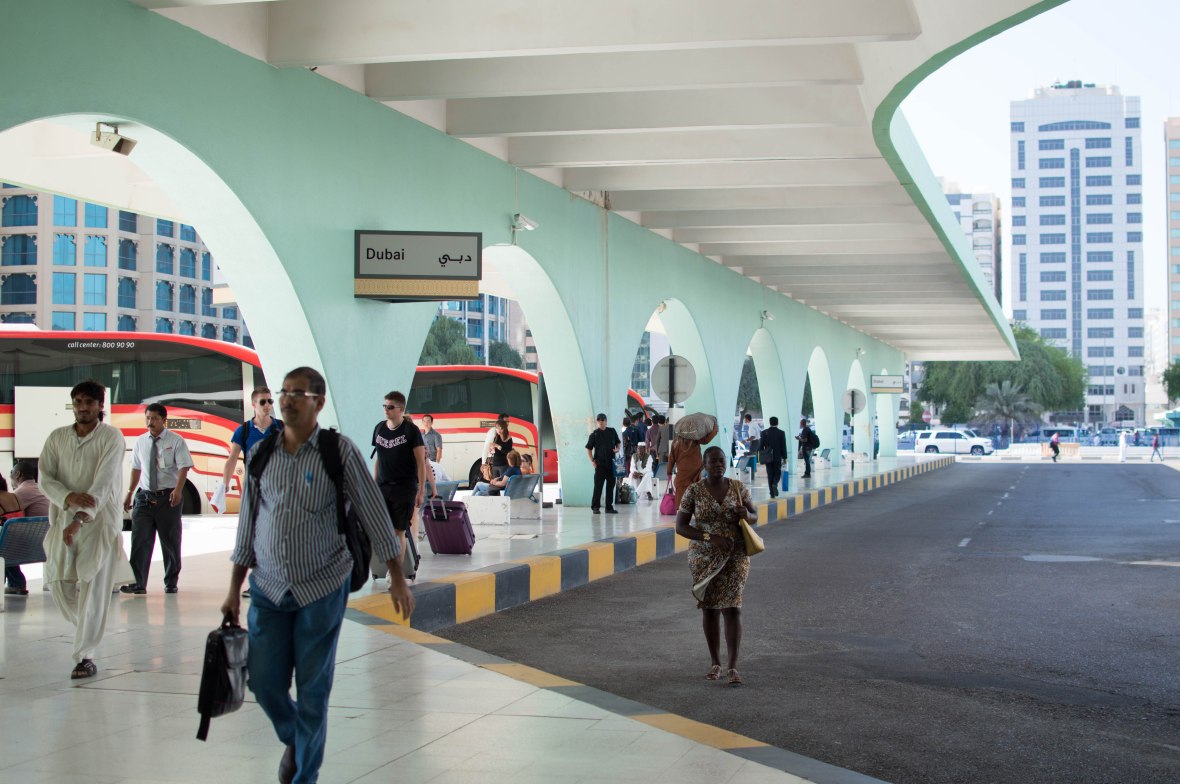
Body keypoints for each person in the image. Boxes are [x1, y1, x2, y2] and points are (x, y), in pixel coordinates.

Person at [222, 367, 413, 784]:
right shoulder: (261, 454)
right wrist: (234, 589)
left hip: (323, 586)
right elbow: (247, 526)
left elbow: (373, 512)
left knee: (312, 690)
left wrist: (396, 573)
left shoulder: (338, 451)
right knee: (265, 684)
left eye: (297, 393)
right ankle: (297, 738)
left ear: (318, 402)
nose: (286, 400)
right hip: (268, 587)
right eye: (283, 392)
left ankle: (304, 774)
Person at [39, 379, 132, 680]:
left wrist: (81, 516)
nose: (83, 408)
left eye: (89, 402)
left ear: (100, 405)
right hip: (63, 519)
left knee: (92, 587)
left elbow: (103, 485)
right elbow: (45, 478)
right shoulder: (56, 438)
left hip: (99, 523)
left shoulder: (112, 437)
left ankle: (85, 656)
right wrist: (67, 498)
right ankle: (89, 626)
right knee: (57, 582)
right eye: (78, 402)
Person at [674, 445, 758, 687]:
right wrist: (711, 538)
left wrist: (746, 515)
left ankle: (733, 666)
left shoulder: (738, 488)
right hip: (704, 557)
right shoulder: (694, 491)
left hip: (736, 555)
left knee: (733, 607)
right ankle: (715, 663)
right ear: (704, 464)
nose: (718, 465)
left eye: (722, 461)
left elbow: (756, 516)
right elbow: (681, 527)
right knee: (709, 608)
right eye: (713, 462)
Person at [120, 403, 194, 595]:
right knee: (139, 541)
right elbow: (136, 468)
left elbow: (183, 467)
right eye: (147, 418)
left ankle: (171, 582)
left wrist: (178, 490)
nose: (150, 422)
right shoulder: (140, 442)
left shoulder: (176, 441)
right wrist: (129, 492)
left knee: (170, 541)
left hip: (167, 498)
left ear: (163, 420)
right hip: (144, 498)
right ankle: (138, 583)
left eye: (154, 418)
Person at [372, 391, 427, 562]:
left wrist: (421, 491)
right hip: (383, 486)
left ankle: (394, 573)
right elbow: (379, 459)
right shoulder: (379, 428)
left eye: (390, 407)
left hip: (404, 488)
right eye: (384, 406)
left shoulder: (411, 431)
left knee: (399, 531)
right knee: (383, 529)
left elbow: (420, 463)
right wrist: (374, 484)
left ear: (400, 409)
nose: (386, 410)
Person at [218, 386, 282, 510]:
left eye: (270, 401)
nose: (267, 405)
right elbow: (232, 459)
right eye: (262, 402)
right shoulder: (244, 431)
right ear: (254, 404)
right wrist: (225, 483)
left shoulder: (281, 427)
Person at [1, 460, 50, 595]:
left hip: (29, 546)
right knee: (7, 540)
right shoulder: (42, 488)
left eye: (11, 473)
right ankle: (16, 583)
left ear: (18, 474)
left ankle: (16, 583)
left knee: (5, 542)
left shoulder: (21, 492)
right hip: (46, 542)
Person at [585, 413, 621, 514]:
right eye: (599, 420)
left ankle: (609, 507)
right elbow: (588, 449)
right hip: (600, 464)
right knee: (598, 486)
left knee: (611, 486)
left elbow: (618, 443)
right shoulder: (594, 434)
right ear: (597, 422)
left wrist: (617, 449)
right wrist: (592, 461)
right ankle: (595, 507)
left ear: (606, 421)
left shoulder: (612, 431)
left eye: (603, 420)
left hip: (612, 463)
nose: (601, 422)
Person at [668, 434, 705, 509]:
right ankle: (688, 510)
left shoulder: (676, 442)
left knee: (682, 491)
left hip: (684, 473)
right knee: (691, 490)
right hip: (693, 473)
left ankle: (682, 511)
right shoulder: (695, 440)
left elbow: (671, 458)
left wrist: (669, 471)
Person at [760, 417, 788, 498]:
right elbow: (783, 446)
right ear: (777, 423)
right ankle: (775, 484)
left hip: (768, 457)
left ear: (770, 422)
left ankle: (771, 493)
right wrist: (785, 457)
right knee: (777, 472)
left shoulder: (764, 433)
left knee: (770, 474)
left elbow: (761, 446)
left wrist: (763, 454)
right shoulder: (781, 433)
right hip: (777, 456)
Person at [483, 413, 511, 478]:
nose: (507, 423)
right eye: (505, 421)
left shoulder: (505, 432)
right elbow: (486, 447)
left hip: (503, 462)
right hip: (495, 462)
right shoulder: (493, 431)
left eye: (508, 421)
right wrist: (483, 463)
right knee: (496, 482)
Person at [646, 414, 665, 492]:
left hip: (653, 451)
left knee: (653, 466)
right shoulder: (662, 429)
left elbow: (647, 442)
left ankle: (654, 482)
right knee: (661, 466)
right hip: (661, 451)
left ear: (652, 421)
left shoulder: (649, 430)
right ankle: (661, 482)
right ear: (658, 421)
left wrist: (647, 451)